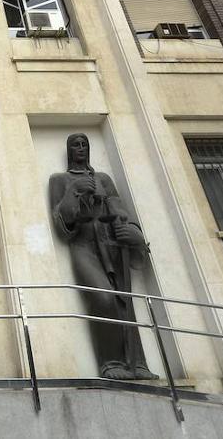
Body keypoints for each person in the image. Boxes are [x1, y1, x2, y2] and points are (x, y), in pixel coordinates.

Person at [48, 133, 155, 380]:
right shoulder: (59, 180)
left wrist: (133, 233)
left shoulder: (103, 179)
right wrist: (73, 191)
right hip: (83, 246)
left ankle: (136, 363)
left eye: (85, 144)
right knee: (103, 297)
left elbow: (120, 210)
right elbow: (61, 221)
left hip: (110, 243)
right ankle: (111, 362)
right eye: (76, 145)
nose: (81, 148)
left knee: (123, 300)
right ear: (68, 150)